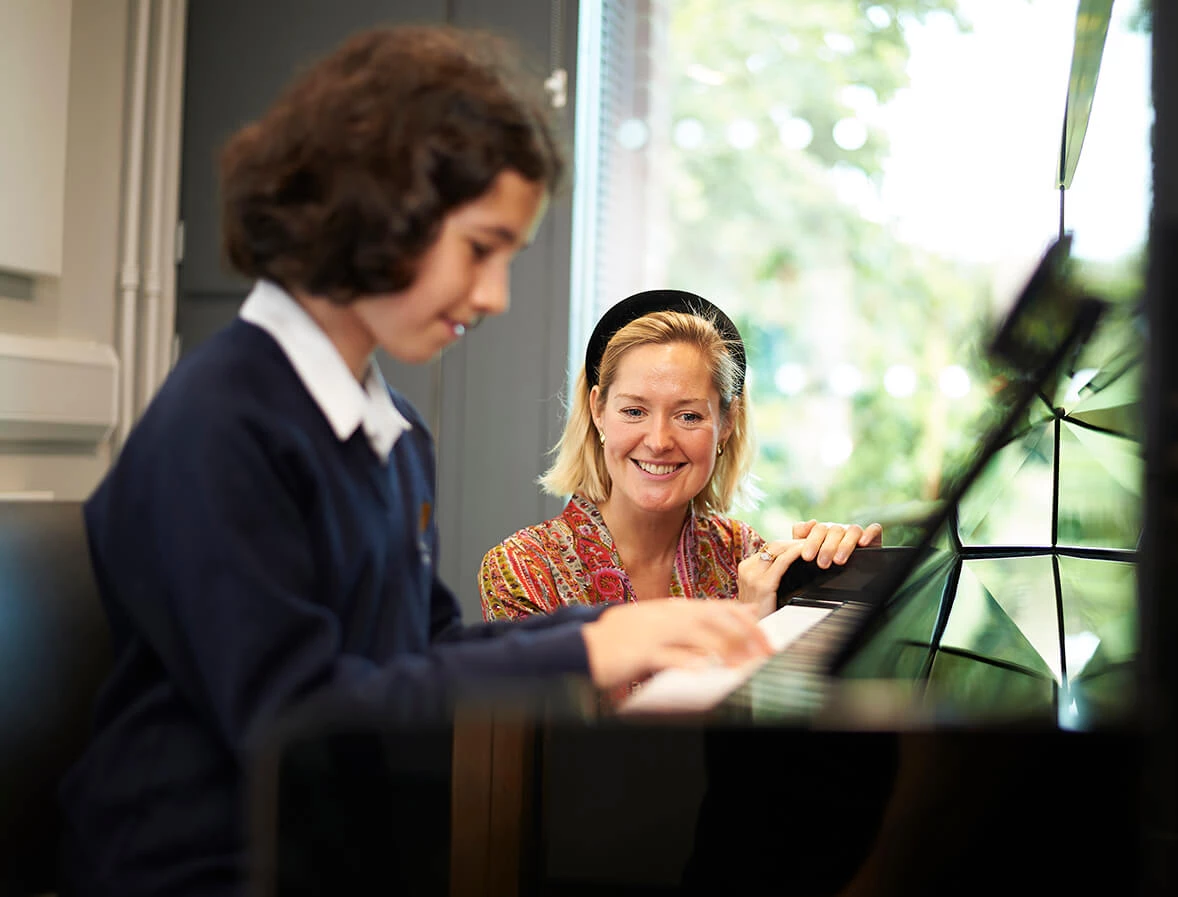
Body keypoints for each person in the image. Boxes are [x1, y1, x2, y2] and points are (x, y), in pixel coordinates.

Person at [57, 26, 771, 897]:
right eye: (480, 248)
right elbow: (297, 718)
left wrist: (602, 633)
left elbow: (423, 647)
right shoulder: (219, 426)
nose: (496, 295)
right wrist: (586, 649)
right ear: (374, 207)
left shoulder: (389, 427)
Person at [479, 289, 882, 624]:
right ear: (598, 411)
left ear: (725, 424)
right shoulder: (524, 571)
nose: (658, 441)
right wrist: (747, 630)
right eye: (634, 411)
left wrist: (852, 582)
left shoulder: (746, 555)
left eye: (688, 416)